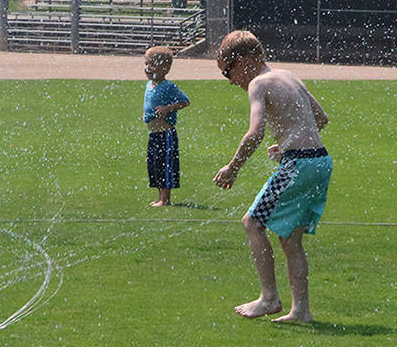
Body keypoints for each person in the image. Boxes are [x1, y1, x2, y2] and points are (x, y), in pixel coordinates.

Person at [213, 30, 331, 323]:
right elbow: (320, 118)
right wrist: (290, 140)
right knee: (291, 239)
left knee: (252, 223)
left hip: (300, 164)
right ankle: (301, 311)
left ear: (240, 61)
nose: (231, 81)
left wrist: (233, 167)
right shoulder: (288, 75)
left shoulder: (258, 83)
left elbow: (255, 133)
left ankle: (269, 298)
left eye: (228, 72)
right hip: (320, 162)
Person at [141, 45, 190, 207]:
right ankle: (160, 196)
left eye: (152, 65)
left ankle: (166, 199)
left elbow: (185, 101)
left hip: (165, 134)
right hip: (153, 134)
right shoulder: (149, 85)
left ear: (165, 68)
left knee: (165, 165)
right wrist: (146, 116)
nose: (148, 68)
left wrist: (168, 108)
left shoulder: (168, 86)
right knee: (154, 164)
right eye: (146, 64)